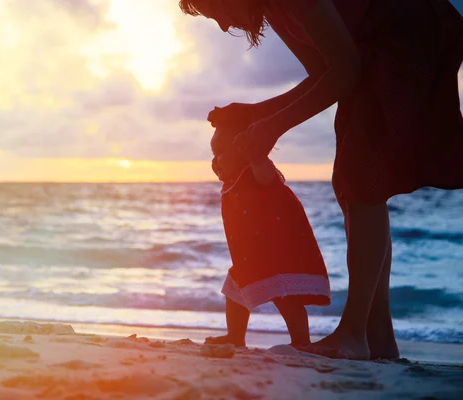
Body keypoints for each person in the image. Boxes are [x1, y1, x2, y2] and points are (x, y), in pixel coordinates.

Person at [179, 0, 463, 360]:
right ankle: (377, 337)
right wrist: (258, 113)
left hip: (410, 28)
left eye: (215, 12)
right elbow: (324, 74)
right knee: (354, 186)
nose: (222, 26)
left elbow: (345, 70)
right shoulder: (273, 10)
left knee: (362, 179)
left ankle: (353, 335)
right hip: (374, 49)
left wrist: (275, 125)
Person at [207, 115, 330, 349]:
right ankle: (235, 336)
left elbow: (264, 174)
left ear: (244, 151)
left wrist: (257, 154)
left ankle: (301, 342)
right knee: (234, 291)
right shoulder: (232, 180)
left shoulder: (257, 172)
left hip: (274, 254)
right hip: (250, 256)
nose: (215, 161)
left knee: (285, 295)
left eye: (220, 152)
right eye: (213, 154)